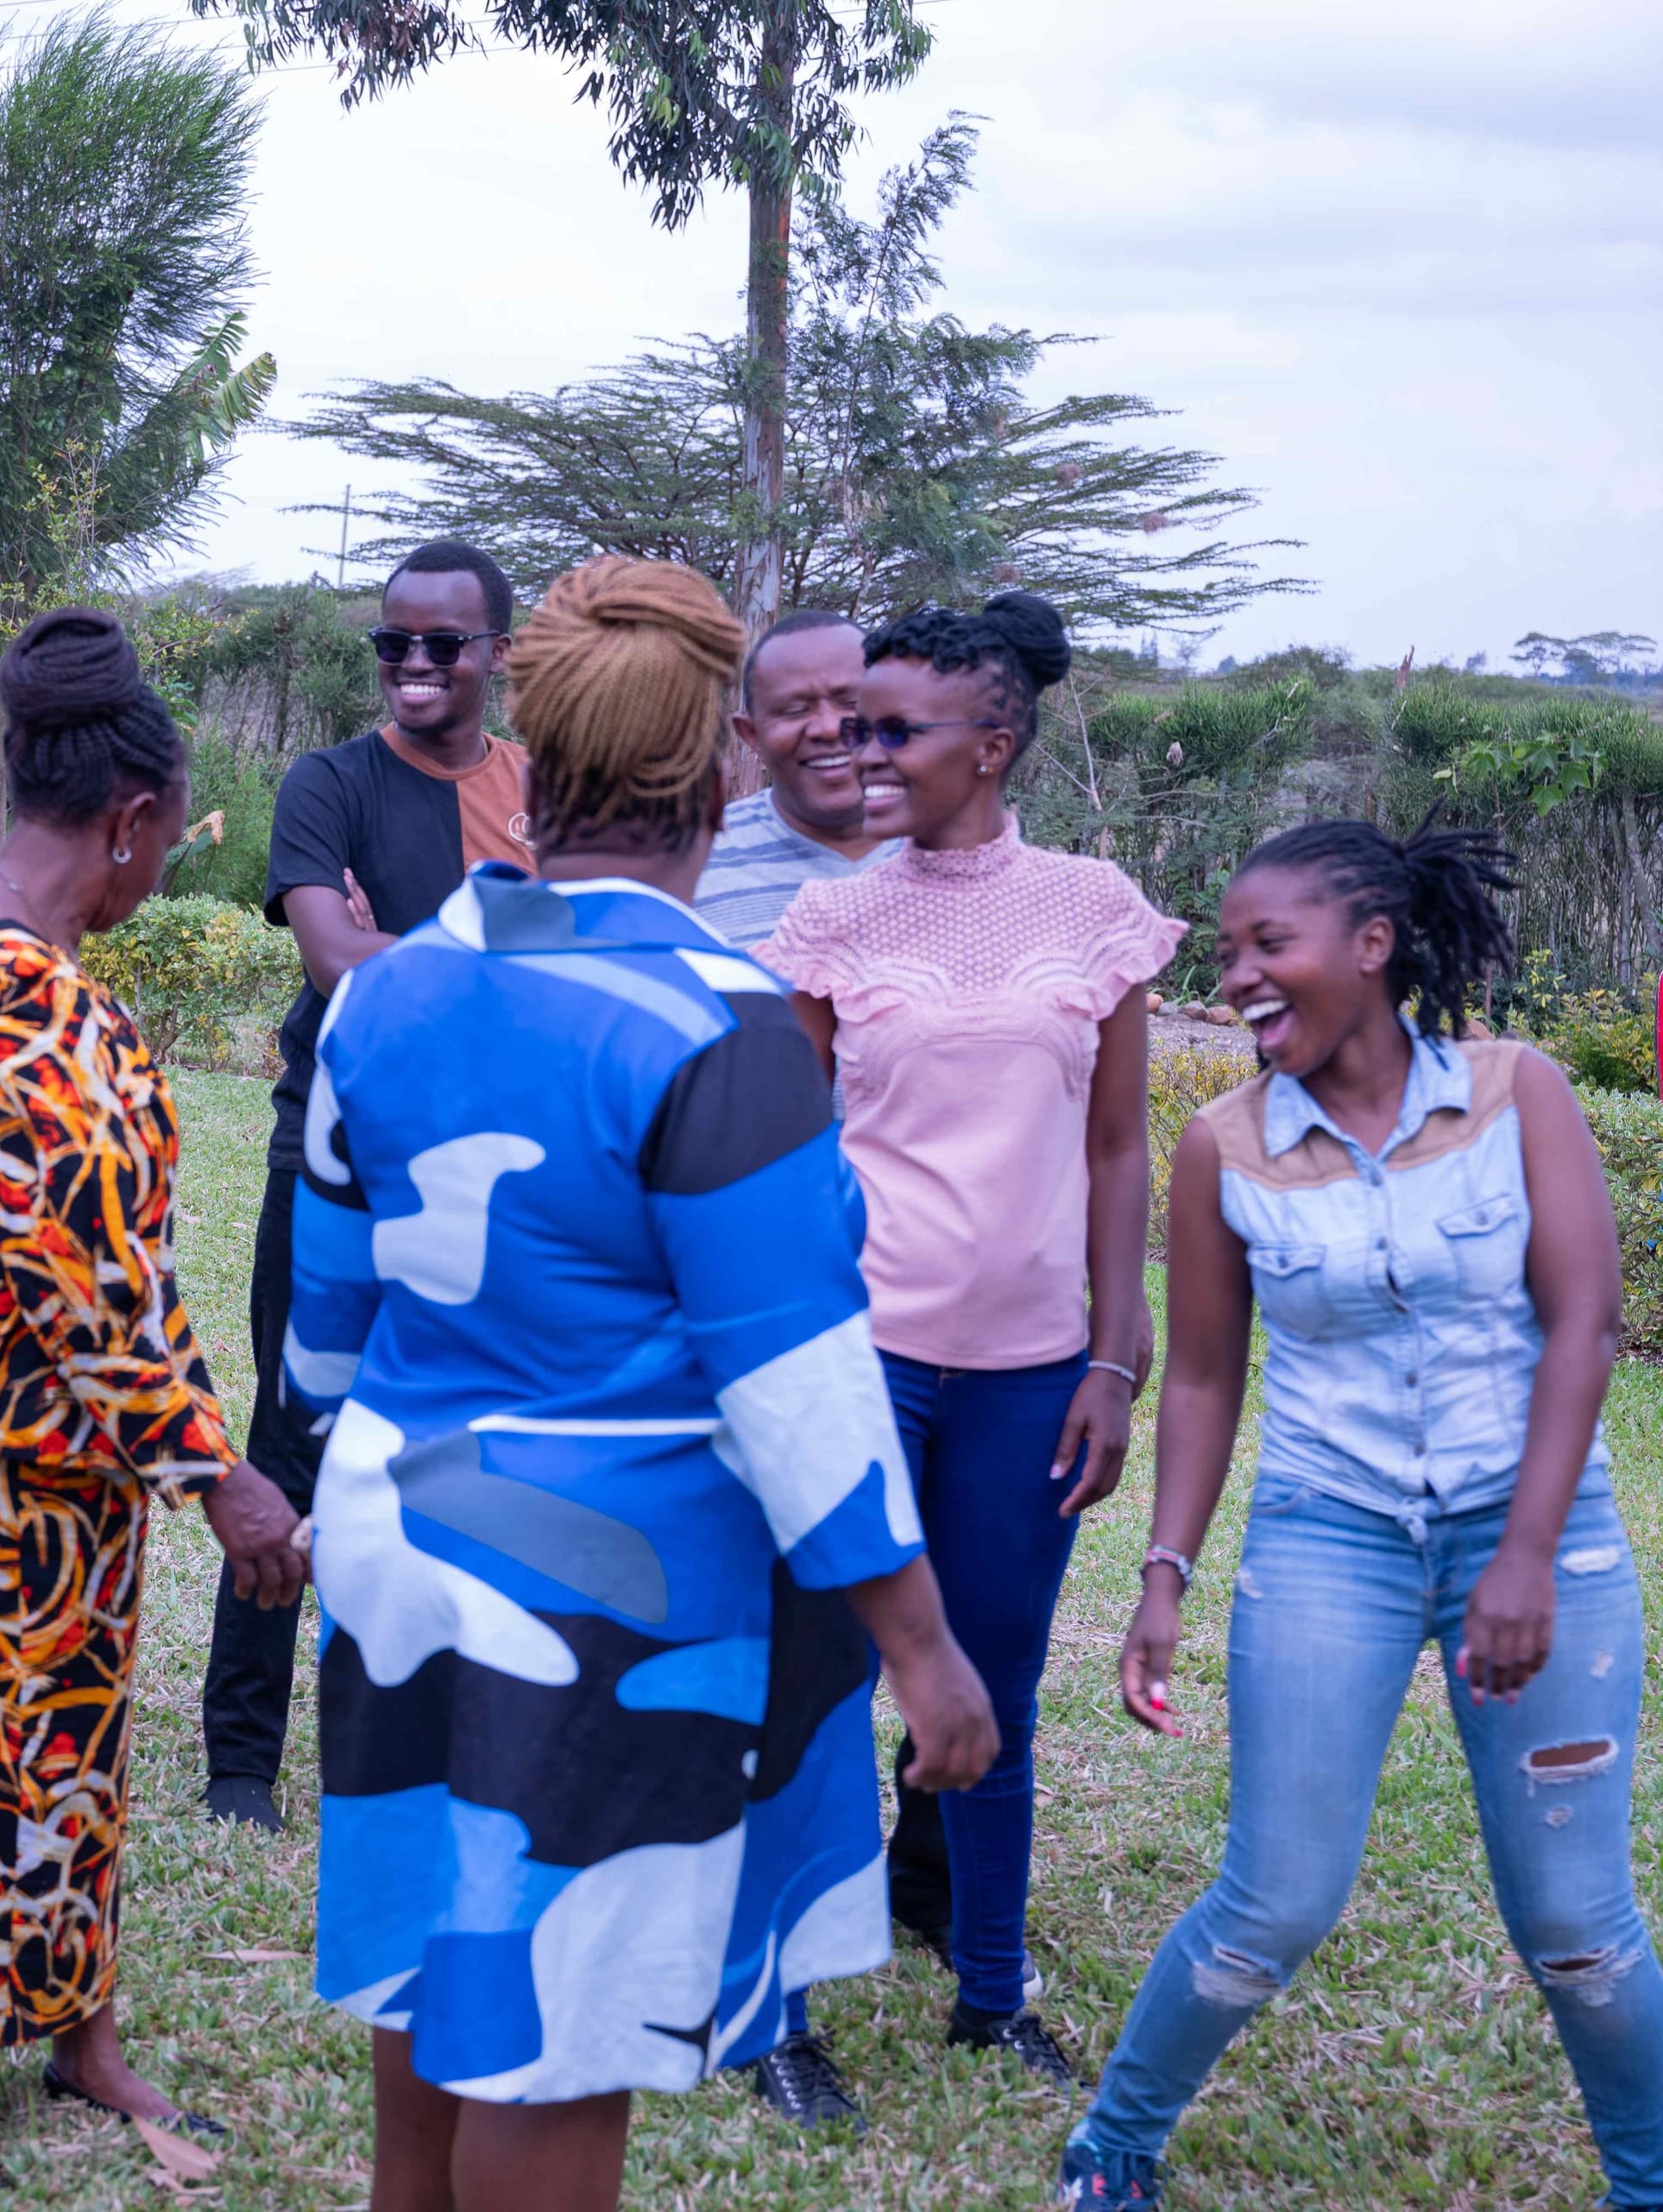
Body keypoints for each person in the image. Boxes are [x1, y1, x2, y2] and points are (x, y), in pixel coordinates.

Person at [291, 554, 997, 2212]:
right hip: (613, 1591)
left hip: (402, 1534)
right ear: (724, 766)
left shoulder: (383, 990)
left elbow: (325, 1330)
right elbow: (796, 1384)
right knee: (564, 2017)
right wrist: (921, 1643)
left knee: (446, 1957)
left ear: (528, 750)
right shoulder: (720, 1020)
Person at [1057, 823, 1660, 2210]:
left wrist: (1521, 1552)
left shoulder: (1521, 1093)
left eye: (1271, 944)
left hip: (1541, 1534)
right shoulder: (1222, 1146)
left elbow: (1586, 1325)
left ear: (1373, 944)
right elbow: (1206, 1374)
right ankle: (1113, 2147)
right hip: (1331, 1532)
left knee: (1577, 1922)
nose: (1242, 974)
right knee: (1276, 1901)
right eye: (1228, 953)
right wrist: (1165, 1571)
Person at [0, 608, 311, 2184]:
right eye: (164, 838)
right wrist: (216, 1470)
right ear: (124, 822)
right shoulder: (8, 988)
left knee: (75, 1745)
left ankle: (77, 2032)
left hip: (52, 1447)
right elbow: (82, 1261)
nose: (161, 864)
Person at [755, 592, 1182, 2117]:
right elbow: (786, 1158)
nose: (856, 748)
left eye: (892, 727)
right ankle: (776, 2017)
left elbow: (1122, 1148)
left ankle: (992, 1996)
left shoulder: (1096, 908)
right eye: (849, 721)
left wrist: (1115, 1360)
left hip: (1031, 1371)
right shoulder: (834, 917)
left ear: (992, 743)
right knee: (811, 1682)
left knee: (995, 1677)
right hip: (862, 1357)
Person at [204, 538, 530, 1834]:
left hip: (493, 1182)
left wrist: (409, 944)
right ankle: (241, 1764)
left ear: (497, 651)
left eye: (441, 645)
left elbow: (415, 956)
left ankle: (432, 1746)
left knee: (462, 1454)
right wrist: (498, 943)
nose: (410, 666)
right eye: (391, 642)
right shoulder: (328, 781)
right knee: (293, 1441)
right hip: (334, 1164)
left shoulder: (538, 788)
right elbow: (334, 959)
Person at [691, 609, 898, 950]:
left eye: (852, 703)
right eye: (793, 710)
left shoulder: (963, 849)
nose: (829, 728)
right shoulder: (693, 867)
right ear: (751, 734)